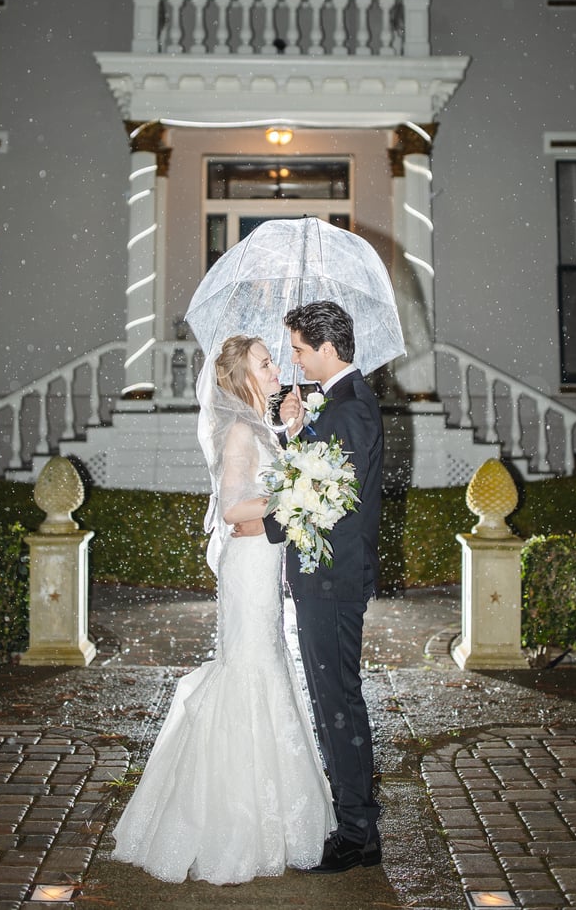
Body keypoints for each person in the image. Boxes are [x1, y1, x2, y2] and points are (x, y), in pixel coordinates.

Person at [110, 335, 336, 885]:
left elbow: (271, 485)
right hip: (249, 566)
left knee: (267, 664)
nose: (276, 366)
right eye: (265, 362)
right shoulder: (239, 430)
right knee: (249, 667)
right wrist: (299, 491)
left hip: (265, 562)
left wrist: (294, 433)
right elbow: (236, 505)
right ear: (244, 379)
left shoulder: (262, 427)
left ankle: (270, 813)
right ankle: (229, 820)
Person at [237, 301, 383, 874]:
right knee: (333, 701)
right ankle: (355, 819)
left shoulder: (350, 411)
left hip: (332, 579)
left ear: (326, 348)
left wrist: (264, 525)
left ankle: (356, 833)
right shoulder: (338, 406)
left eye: (297, 349)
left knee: (337, 703)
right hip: (328, 578)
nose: (294, 359)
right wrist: (297, 428)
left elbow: (323, 501)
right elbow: (316, 477)